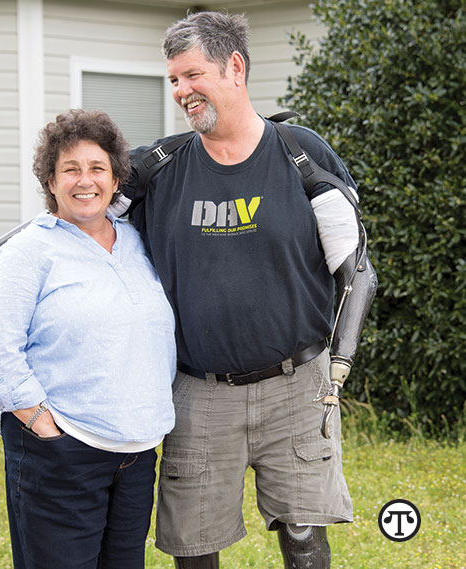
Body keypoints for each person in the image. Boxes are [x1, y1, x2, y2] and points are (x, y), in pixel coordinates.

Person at [121, 11, 378, 569]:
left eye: (192, 75)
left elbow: (356, 268)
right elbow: (80, 204)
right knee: (194, 546)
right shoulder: (159, 168)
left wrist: (340, 363)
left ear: (234, 67)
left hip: (297, 384)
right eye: (173, 81)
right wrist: (4, 253)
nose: (181, 92)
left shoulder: (301, 155)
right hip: (198, 390)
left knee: (305, 536)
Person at [0, 109, 177, 569]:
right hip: (63, 449)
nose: (85, 181)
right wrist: (41, 423)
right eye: (70, 169)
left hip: (136, 453)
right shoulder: (30, 251)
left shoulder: (137, 241)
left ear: (116, 178)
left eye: (97, 168)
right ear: (50, 181)